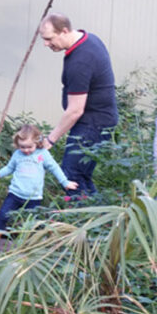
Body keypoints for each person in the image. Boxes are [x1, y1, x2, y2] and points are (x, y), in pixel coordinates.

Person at [39, 13, 118, 197]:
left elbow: (75, 110)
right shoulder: (89, 39)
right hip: (100, 120)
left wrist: (50, 140)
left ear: (64, 31)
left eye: (49, 39)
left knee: (71, 176)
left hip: (92, 123)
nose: (46, 44)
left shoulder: (80, 60)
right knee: (82, 175)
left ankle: (78, 222)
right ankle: (96, 217)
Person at [0, 125, 78, 252]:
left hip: (34, 197)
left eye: (29, 147)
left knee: (33, 223)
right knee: (2, 216)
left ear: (37, 143)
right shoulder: (17, 155)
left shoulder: (43, 154)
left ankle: (33, 244)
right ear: (17, 145)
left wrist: (65, 182)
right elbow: (9, 168)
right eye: (22, 147)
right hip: (15, 194)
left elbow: (55, 168)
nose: (26, 150)